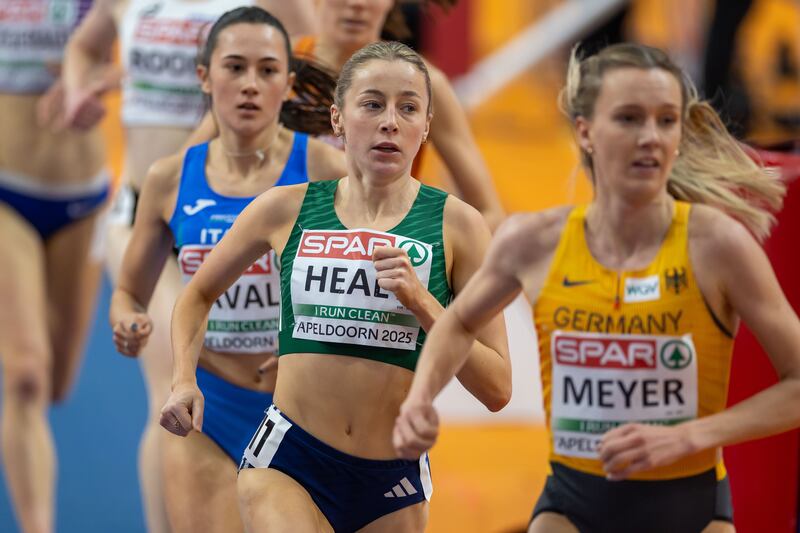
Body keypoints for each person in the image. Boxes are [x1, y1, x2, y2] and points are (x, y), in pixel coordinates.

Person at [394, 43, 799, 533]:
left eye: (666, 120)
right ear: (585, 131)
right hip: (572, 507)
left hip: (690, 510)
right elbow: (457, 324)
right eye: (629, 118)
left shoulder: (717, 244)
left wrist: (691, 436)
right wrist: (420, 398)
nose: (650, 137)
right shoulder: (536, 242)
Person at [161, 41, 511, 532]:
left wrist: (425, 303)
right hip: (289, 460)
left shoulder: (459, 226)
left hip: (392, 478)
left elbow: (497, 388)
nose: (390, 120)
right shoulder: (284, 208)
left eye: (408, 107)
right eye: (372, 104)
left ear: (427, 126)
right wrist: (181, 380)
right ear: (338, 120)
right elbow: (197, 293)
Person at [59, 2, 315, 531]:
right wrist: (82, 84)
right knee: (173, 384)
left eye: (263, 71)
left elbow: (312, 42)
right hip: (150, 208)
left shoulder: (262, 18)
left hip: (244, 199)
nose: (251, 80)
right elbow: (83, 46)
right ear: (206, 74)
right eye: (233, 69)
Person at [0, 2, 108, 532]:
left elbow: (170, 44)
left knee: (58, 382)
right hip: (5, 189)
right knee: (24, 375)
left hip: (83, 195)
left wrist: (96, 78)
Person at [293, 0, 507, 230]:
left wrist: (430, 257)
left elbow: (490, 212)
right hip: (286, 251)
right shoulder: (276, 66)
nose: (357, 3)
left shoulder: (424, 82)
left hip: (383, 255)